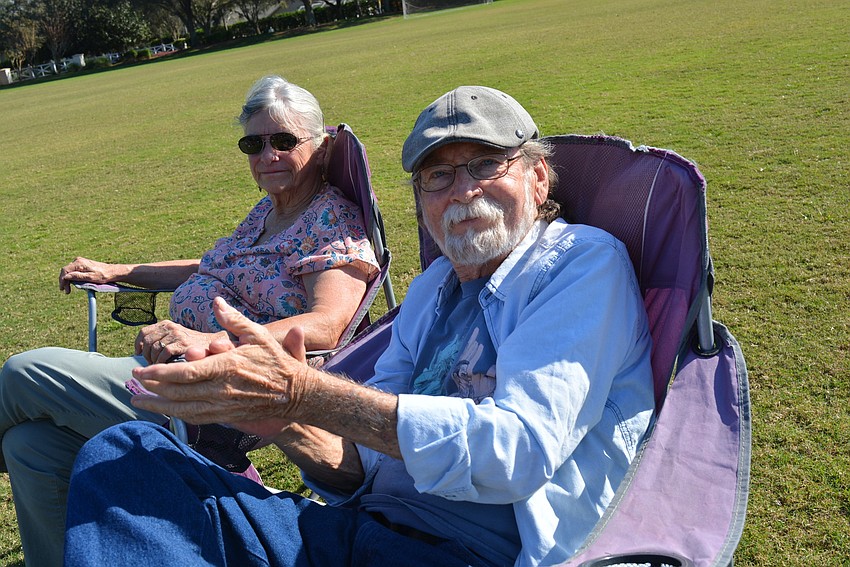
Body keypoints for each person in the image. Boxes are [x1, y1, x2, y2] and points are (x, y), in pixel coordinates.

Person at [63, 86, 655, 566]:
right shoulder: (432, 291)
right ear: (422, 198)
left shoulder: (578, 265)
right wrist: (286, 421)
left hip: (471, 553)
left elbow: (517, 453)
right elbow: (361, 468)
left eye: (484, 163)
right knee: (129, 449)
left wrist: (306, 391)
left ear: (538, 179)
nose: (463, 189)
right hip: (357, 532)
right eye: (437, 177)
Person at [0, 75, 379, 567]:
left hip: (225, 387)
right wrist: (118, 270)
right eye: (254, 143)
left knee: (25, 372)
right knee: (32, 445)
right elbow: (210, 266)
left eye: (285, 141)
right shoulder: (268, 213)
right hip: (176, 368)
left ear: (321, 146)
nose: (268, 155)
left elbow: (327, 325)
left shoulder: (333, 219)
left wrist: (208, 338)